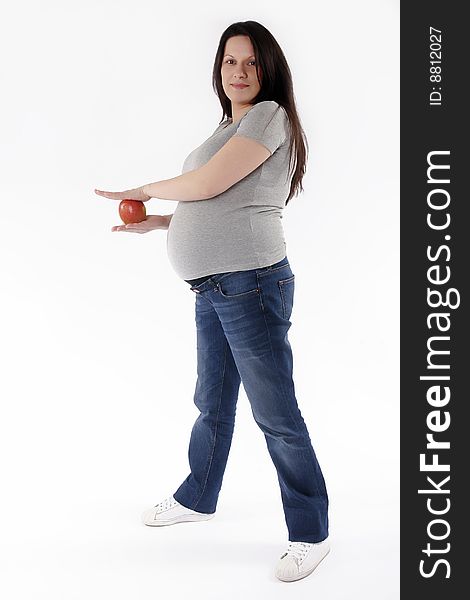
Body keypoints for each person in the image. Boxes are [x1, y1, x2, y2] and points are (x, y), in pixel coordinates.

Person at [95, 20, 329, 583]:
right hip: (214, 284)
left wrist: (145, 188)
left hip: (251, 283)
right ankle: (199, 496)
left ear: (268, 68)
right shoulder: (231, 125)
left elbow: (205, 184)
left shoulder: (269, 116)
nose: (240, 71)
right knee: (212, 400)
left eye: (251, 62)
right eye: (230, 61)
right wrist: (160, 223)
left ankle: (310, 532)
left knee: (276, 414)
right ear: (218, 70)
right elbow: (216, 202)